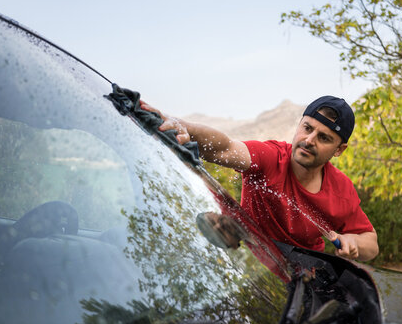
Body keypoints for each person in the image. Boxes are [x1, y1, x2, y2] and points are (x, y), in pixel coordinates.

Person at [140, 96, 378, 261]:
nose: (309, 140)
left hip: (299, 278)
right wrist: (185, 128)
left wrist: (353, 243)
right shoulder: (270, 157)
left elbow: (371, 244)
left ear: (339, 150)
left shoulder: (341, 192)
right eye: (307, 128)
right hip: (247, 265)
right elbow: (224, 147)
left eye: (324, 138)